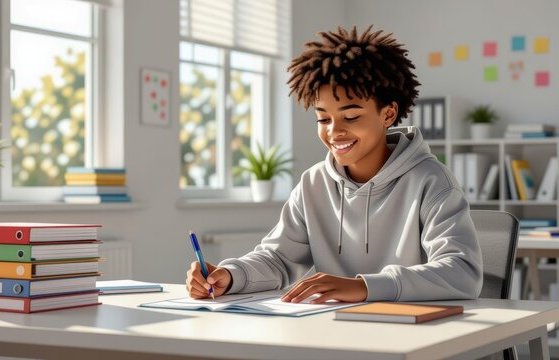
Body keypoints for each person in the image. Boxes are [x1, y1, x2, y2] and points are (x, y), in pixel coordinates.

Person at [186, 25, 483, 304]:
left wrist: (365, 287)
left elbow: (461, 272)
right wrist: (231, 275)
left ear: (389, 114)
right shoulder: (313, 184)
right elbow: (278, 258)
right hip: (335, 327)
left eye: (351, 117)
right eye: (323, 118)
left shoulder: (431, 181)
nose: (334, 131)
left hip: (414, 336)